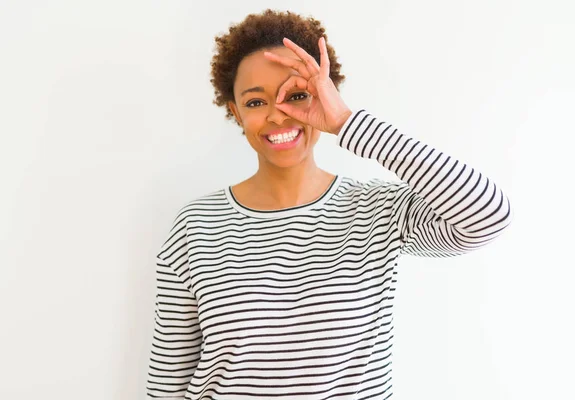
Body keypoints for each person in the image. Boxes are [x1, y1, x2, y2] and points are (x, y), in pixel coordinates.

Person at [146, 9, 513, 400]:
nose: (277, 114)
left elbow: (487, 215)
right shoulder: (196, 225)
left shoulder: (377, 211)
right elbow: (169, 377)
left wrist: (345, 122)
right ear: (235, 112)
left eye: (298, 96)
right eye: (255, 103)